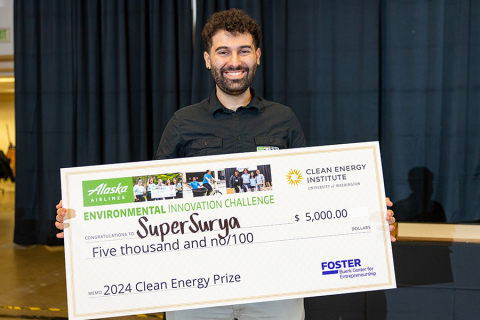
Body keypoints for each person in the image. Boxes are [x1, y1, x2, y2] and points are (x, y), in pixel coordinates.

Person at [56, 8, 396, 320]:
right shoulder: (182, 122)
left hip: (275, 283)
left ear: (258, 56)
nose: (234, 61)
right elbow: (148, 196)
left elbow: (309, 194)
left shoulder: (284, 119)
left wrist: (367, 217)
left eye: (244, 50)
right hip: (197, 287)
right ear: (207, 59)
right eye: (223, 52)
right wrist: (83, 216)